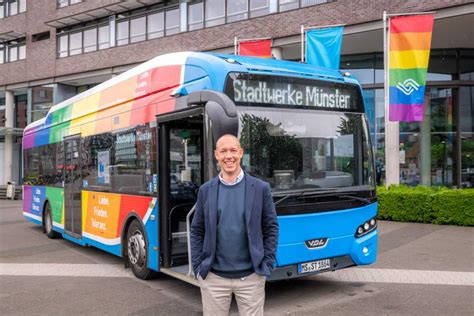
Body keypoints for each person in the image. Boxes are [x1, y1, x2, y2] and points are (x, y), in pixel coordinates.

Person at [190, 134, 279, 316]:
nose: (228, 156)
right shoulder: (206, 190)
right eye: (223, 151)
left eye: (232, 151)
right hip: (214, 279)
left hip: (251, 278)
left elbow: (271, 228)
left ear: (240, 153)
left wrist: (266, 264)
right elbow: (197, 230)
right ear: (216, 155)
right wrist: (198, 267)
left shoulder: (260, 188)